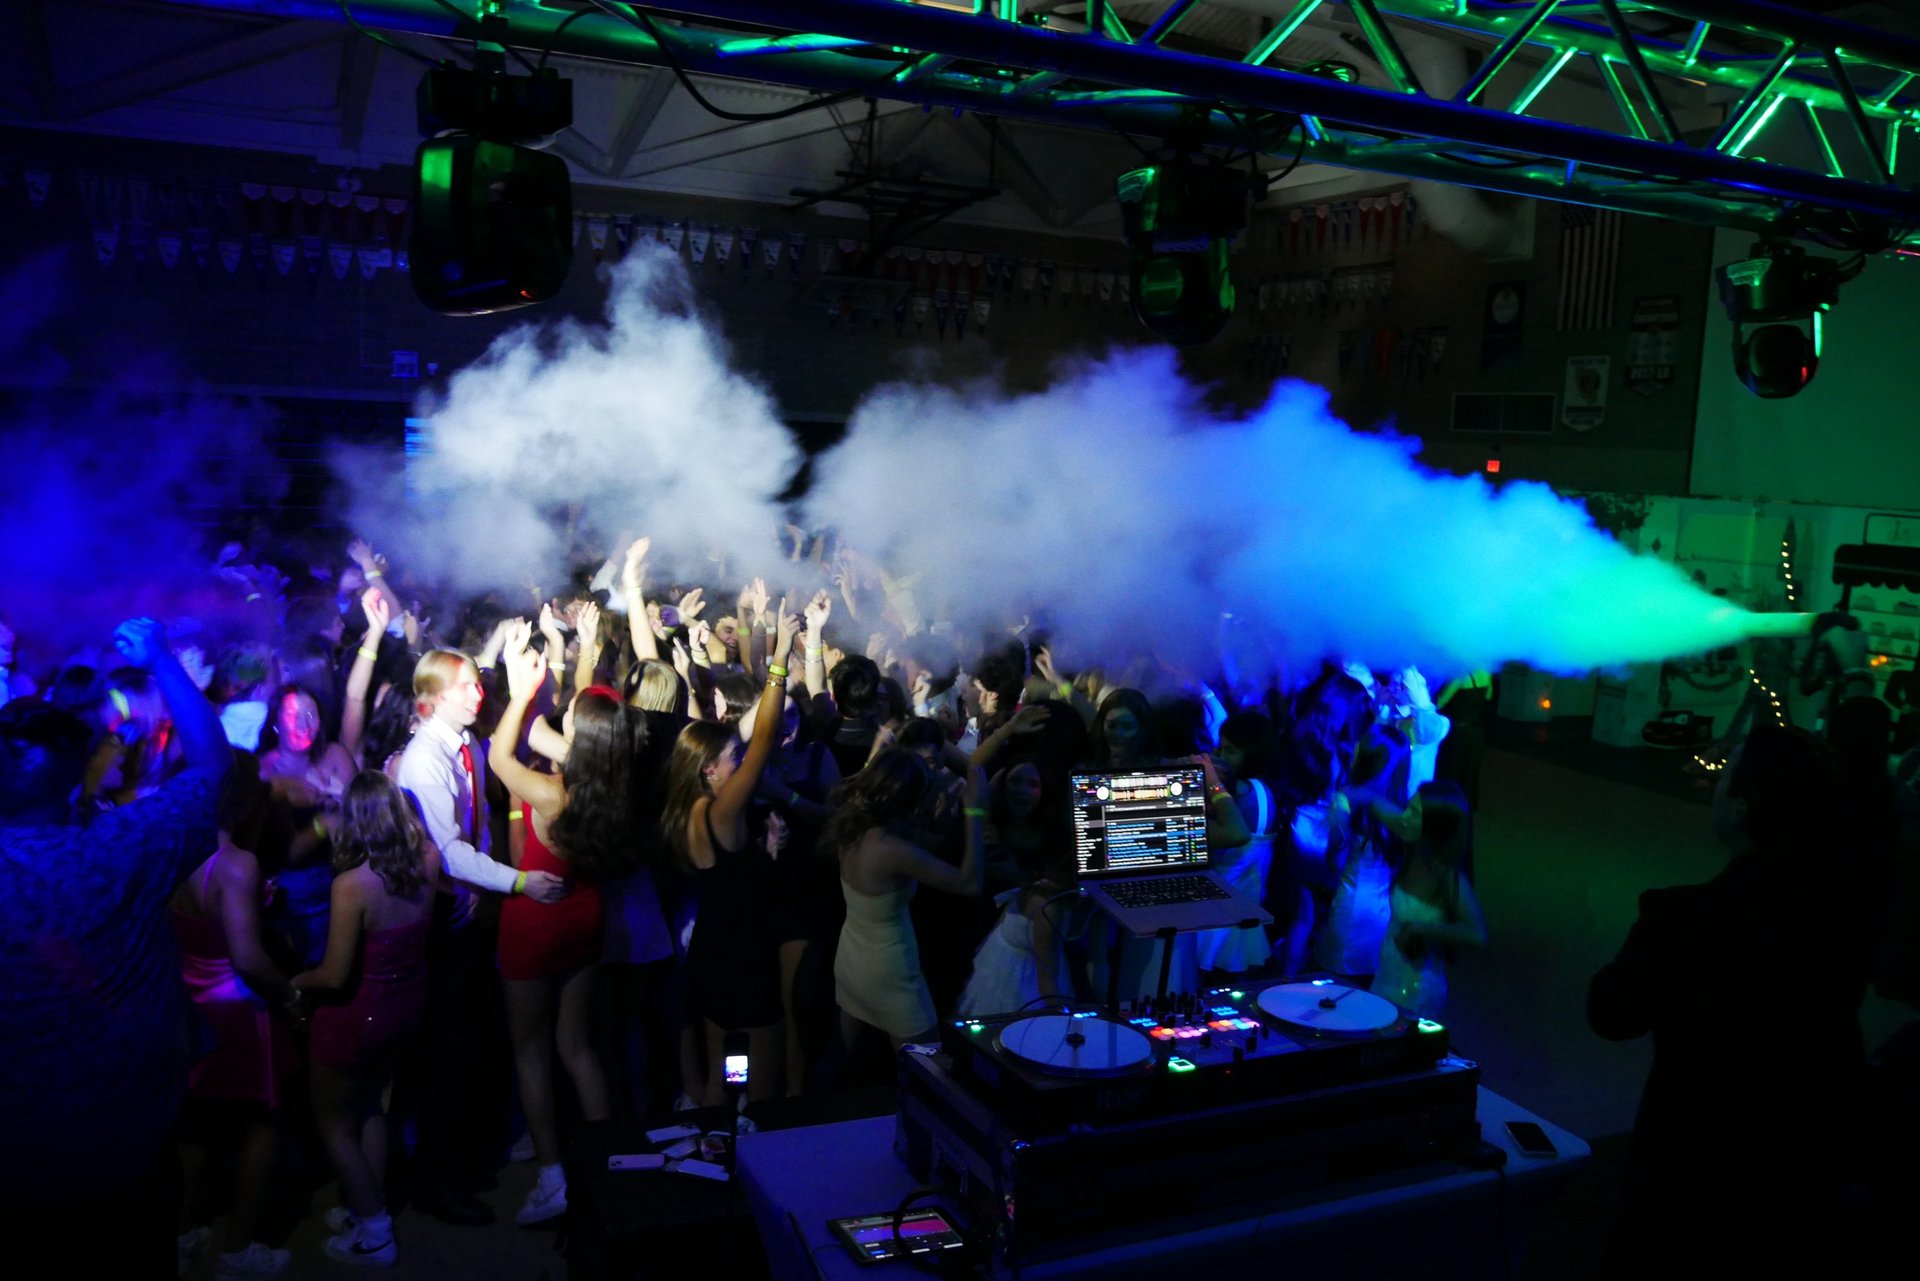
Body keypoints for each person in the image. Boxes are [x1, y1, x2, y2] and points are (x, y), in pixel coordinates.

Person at [1588, 725, 1875, 1270]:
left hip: (1688, 1175)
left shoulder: (1684, 918)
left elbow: (1611, 1014)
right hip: (1801, 1170)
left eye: (1726, 777)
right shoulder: (1845, 916)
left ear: (1743, 809)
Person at [0, 618, 232, 1276]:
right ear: (77, 788)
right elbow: (214, 766)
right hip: (128, 1149)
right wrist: (160, 655)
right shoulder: (122, 848)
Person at [394, 647, 567, 1226]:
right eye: (466, 687)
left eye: (477, 684)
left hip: (467, 909)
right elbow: (447, 851)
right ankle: (439, 1184)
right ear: (432, 699)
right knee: (447, 1052)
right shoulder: (424, 759)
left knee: (469, 1045)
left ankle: (463, 1165)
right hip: (440, 922)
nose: (478, 695)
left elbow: (478, 832)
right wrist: (517, 881)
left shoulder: (464, 744)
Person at [489, 634, 640, 1226]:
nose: (566, 710)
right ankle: (604, 1166)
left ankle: (554, 1176)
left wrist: (519, 687)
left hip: (537, 921)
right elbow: (534, 733)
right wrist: (548, 662)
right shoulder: (611, 777)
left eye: (572, 714)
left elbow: (504, 758)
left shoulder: (553, 793)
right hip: (585, 913)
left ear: (580, 735)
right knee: (577, 1045)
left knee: (531, 1052)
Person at [296, 772, 449, 1269]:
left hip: (356, 1017)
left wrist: (297, 981)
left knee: (333, 1123)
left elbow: (335, 974)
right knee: (370, 1109)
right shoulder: (428, 860)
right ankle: (367, 1207)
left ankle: (376, 1232)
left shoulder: (352, 885)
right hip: (407, 1008)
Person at [660, 602, 805, 1103]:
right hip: (743, 958)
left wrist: (760, 854)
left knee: (726, 1066)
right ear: (710, 771)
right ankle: (750, 1152)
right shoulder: (719, 813)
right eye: (731, 758)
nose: (739, 762)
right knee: (761, 1071)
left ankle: (716, 1144)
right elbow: (763, 740)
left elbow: (729, 879)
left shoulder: (685, 811)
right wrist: (780, 661)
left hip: (712, 955)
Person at [171, 757, 303, 1279]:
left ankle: (182, 1235)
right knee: (262, 1124)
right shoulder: (235, 863)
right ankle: (237, 1251)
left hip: (186, 1001)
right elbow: (247, 957)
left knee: (194, 1125)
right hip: (235, 1007)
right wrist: (290, 996)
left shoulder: (174, 847)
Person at [830, 749, 989, 1048]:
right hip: (890, 972)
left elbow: (933, 844)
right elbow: (970, 884)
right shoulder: (893, 850)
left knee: (843, 1061)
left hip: (852, 957)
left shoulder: (855, 828)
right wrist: (976, 812)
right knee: (925, 1070)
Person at [1369, 780, 1485, 1018]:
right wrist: (1348, 799)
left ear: (1434, 828)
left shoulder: (1448, 877)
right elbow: (1375, 802)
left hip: (1416, 990)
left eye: (1414, 812)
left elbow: (1477, 934)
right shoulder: (1413, 846)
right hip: (1387, 972)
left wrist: (1419, 929)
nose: (1404, 816)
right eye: (1408, 807)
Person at [1196, 711, 1282, 974]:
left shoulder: (1238, 794)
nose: (1220, 757)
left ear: (1253, 753)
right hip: (1245, 910)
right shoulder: (1267, 792)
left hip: (1215, 914)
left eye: (1230, 750)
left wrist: (1211, 785)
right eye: (1219, 747)